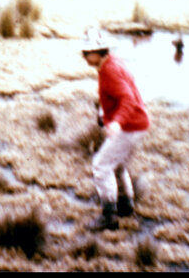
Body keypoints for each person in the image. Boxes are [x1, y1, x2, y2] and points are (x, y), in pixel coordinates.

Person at [80, 29, 150, 232]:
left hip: (129, 126)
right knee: (117, 165)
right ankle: (126, 205)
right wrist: (105, 115)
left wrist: (117, 122)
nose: (83, 56)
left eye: (87, 52)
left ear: (99, 51)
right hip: (138, 123)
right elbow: (122, 94)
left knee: (101, 167)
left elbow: (127, 98)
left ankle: (109, 216)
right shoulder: (112, 62)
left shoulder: (109, 70)